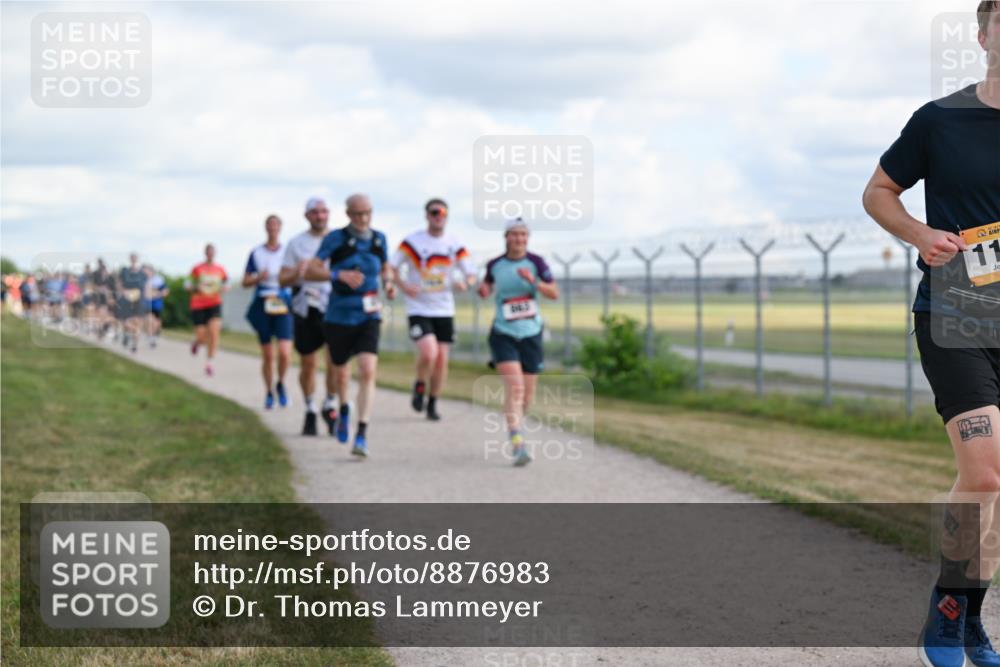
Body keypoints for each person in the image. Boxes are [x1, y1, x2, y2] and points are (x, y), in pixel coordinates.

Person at [862, 3, 1000, 666]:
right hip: (957, 313)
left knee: (998, 487)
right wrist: (920, 235)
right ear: (983, 36)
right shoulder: (940, 120)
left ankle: (970, 616)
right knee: (986, 470)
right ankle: (947, 618)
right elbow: (880, 190)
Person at [305, 193, 396, 457]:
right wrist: (337, 274)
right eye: (357, 214)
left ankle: (362, 433)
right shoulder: (335, 239)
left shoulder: (380, 239)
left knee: (368, 370)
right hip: (339, 314)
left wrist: (388, 283)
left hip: (369, 314)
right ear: (348, 214)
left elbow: (386, 268)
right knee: (341, 374)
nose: (363, 218)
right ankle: (344, 408)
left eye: (367, 213)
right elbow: (311, 270)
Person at [478, 217, 558, 467]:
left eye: (523, 235)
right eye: (514, 234)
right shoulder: (495, 265)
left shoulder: (536, 263)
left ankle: (517, 426)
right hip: (503, 332)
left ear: (528, 238)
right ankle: (518, 442)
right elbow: (486, 288)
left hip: (531, 332)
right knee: (516, 388)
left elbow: (554, 293)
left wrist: (532, 281)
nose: (519, 239)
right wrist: (482, 290)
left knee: (527, 394)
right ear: (506, 238)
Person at [390, 198, 477, 421]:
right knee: (429, 352)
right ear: (427, 215)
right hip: (419, 307)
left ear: (446, 216)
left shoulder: (454, 243)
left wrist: (464, 284)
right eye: (434, 212)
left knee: (441, 360)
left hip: (444, 309)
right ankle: (420, 383)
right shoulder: (413, 241)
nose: (438, 216)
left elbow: (471, 274)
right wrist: (403, 285)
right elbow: (391, 268)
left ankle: (433, 402)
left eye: (442, 213)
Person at [279, 197, 344, 436]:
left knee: (336, 362)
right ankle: (309, 407)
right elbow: (282, 279)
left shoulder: (339, 240)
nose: (320, 216)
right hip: (306, 306)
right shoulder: (296, 243)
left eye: (324, 211)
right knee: (308, 363)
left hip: (334, 306)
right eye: (315, 212)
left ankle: (330, 403)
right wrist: (299, 271)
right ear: (307, 215)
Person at [243, 215, 294, 410]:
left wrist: (285, 279)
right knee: (268, 355)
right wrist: (258, 278)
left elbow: (294, 275)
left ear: (280, 228)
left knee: (284, 352)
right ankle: (269, 391)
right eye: (269, 225)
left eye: (276, 225)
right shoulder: (256, 253)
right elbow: (245, 281)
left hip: (282, 303)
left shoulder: (288, 252)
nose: (273, 228)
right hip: (263, 303)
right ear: (266, 228)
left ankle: (280, 383)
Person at [187, 243, 228, 376]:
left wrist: (225, 288)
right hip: (198, 304)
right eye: (208, 251)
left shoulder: (220, 269)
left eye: (212, 251)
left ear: (215, 253)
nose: (210, 254)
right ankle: (197, 343)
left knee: (214, 332)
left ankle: (209, 364)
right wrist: (194, 288)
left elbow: (227, 282)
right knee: (202, 336)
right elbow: (187, 284)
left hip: (214, 303)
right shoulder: (197, 268)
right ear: (205, 253)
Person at [118, 253, 148, 353]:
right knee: (125, 322)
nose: (133, 259)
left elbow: (145, 287)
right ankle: (126, 334)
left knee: (137, 322)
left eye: (135, 258)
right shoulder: (125, 271)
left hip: (138, 299)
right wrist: (123, 292)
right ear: (130, 259)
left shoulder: (142, 274)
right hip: (126, 298)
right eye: (132, 258)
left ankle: (135, 344)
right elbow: (120, 284)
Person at [143, 264, 168, 348]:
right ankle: (151, 337)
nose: (145, 272)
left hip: (156, 303)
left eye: (146, 270)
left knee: (156, 321)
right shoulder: (143, 280)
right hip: (146, 303)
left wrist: (157, 294)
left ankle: (155, 334)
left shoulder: (158, 280)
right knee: (149, 320)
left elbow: (165, 291)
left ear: (151, 271)